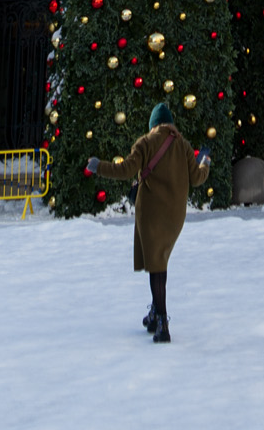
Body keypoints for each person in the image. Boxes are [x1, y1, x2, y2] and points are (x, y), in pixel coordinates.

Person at [86, 101, 211, 343]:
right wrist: (204, 162)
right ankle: (155, 314)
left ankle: (162, 322)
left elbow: (124, 170)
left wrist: (98, 166)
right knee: (159, 260)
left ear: (153, 124)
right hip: (175, 216)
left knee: (156, 266)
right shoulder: (183, 145)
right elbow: (197, 179)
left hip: (151, 213)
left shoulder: (145, 143)